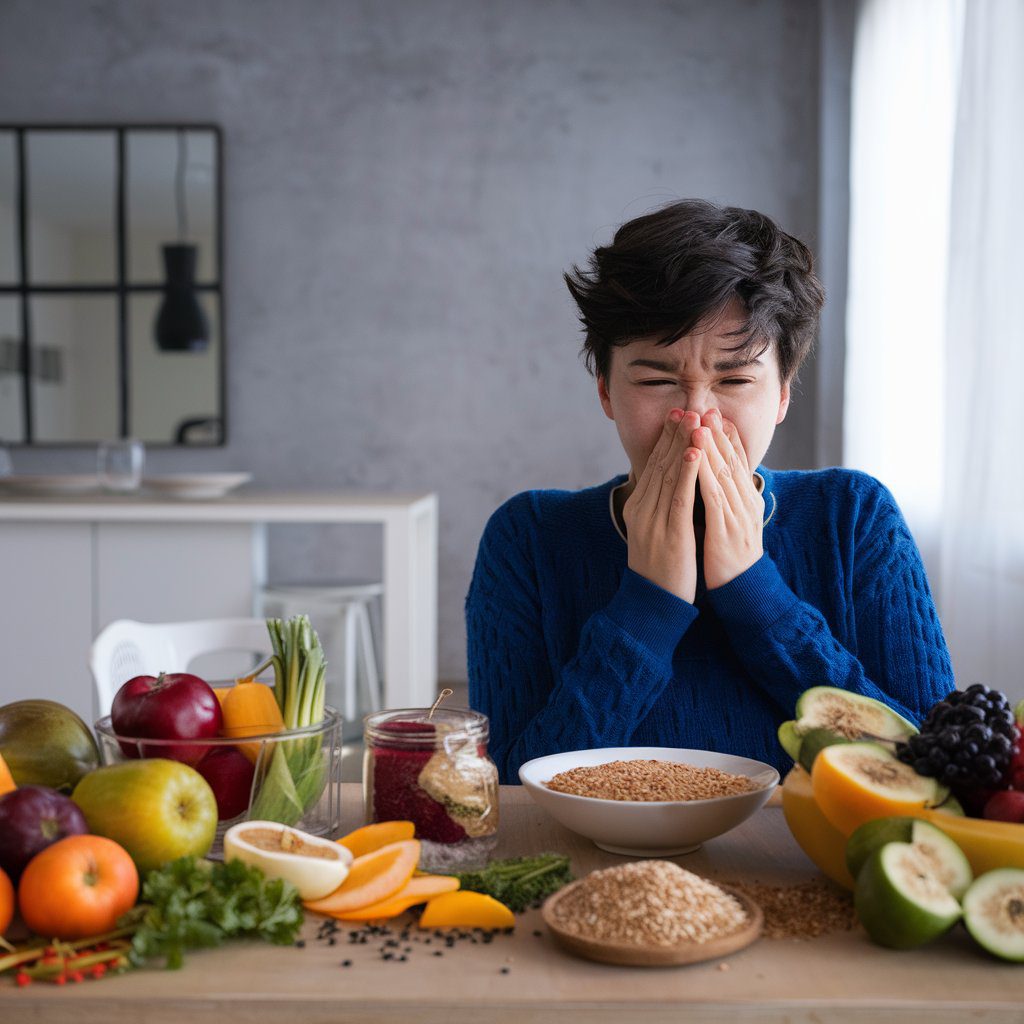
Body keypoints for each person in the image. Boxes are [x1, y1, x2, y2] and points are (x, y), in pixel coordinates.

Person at [466, 199, 954, 784]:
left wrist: (754, 591)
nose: (696, 418)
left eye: (735, 379)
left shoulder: (853, 518)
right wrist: (649, 602)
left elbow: (935, 773)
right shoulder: (528, 538)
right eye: (656, 380)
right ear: (604, 390)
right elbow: (512, 795)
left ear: (781, 395)